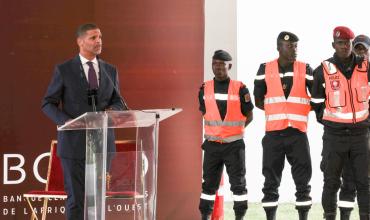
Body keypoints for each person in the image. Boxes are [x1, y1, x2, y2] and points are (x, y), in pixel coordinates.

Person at [41, 23, 128, 220]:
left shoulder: (109, 70)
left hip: (102, 144)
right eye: (93, 38)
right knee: (76, 200)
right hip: (73, 145)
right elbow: (47, 103)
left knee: (97, 200)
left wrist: (113, 110)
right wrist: (68, 121)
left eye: (100, 37)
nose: (99, 41)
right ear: (80, 42)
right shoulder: (64, 70)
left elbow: (118, 101)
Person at [311, 26, 370, 220]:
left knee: (364, 182)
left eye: (348, 43)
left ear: (352, 44)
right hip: (334, 137)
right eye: (341, 43)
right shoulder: (323, 70)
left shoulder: (366, 67)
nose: (345, 46)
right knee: (331, 182)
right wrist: (332, 122)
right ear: (333, 45)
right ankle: (329, 216)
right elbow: (317, 104)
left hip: (360, 136)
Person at [253, 31, 313, 220]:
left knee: (303, 181)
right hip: (273, 135)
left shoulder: (306, 69)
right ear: (279, 47)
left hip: (297, 133)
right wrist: (278, 110)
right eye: (289, 46)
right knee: (270, 181)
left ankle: (303, 217)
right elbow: (258, 100)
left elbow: (318, 98)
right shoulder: (264, 69)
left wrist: (296, 110)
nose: (294, 49)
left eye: (296, 46)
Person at [198, 50, 253, 220]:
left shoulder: (240, 88)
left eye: (222, 64)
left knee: (238, 186)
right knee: (208, 187)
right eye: (215, 63)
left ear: (229, 65)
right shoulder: (204, 89)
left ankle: (239, 217)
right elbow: (205, 113)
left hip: (234, 145)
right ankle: (205, 216)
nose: (218, 67)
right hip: (212, 145)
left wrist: (233, 132)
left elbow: (249, 115)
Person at [337, 34, 370, 220]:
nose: (361, 53)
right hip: (351, 135)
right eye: (357, 49)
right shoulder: (347, 74)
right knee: (348, 180)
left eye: (364, 49)